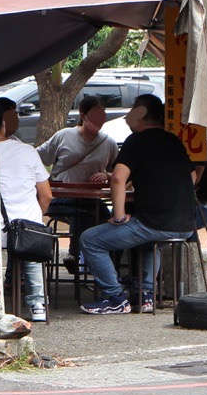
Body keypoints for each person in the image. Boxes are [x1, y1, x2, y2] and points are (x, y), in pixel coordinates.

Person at [79, 95, 198, 315]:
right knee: (147, 243)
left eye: (132, 110)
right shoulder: (174, 140)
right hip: (185, 224)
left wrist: (118, 216)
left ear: (140, 114)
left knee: (90, 239)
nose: (127, 116)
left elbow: (117, 178)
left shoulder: (137, 140)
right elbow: (192, 177)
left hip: (154, 223)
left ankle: (114, 297)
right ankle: (145, 296)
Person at [0, 100, 52, 322]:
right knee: (31, 257)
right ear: (3, 125)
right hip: (28, 229)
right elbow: (46, 194)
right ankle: (38, 305)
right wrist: (37, 217)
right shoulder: (27, 151)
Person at [37, 96, 120, 268]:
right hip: (61, 198)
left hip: (91, 201)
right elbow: (38, 156)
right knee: (85, 211)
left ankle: (106, 266)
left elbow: (120, 171)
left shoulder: (108, 143)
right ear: (83, 115)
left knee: (110, 223)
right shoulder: (63, 136)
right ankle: (76, 255)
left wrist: (108, 175)